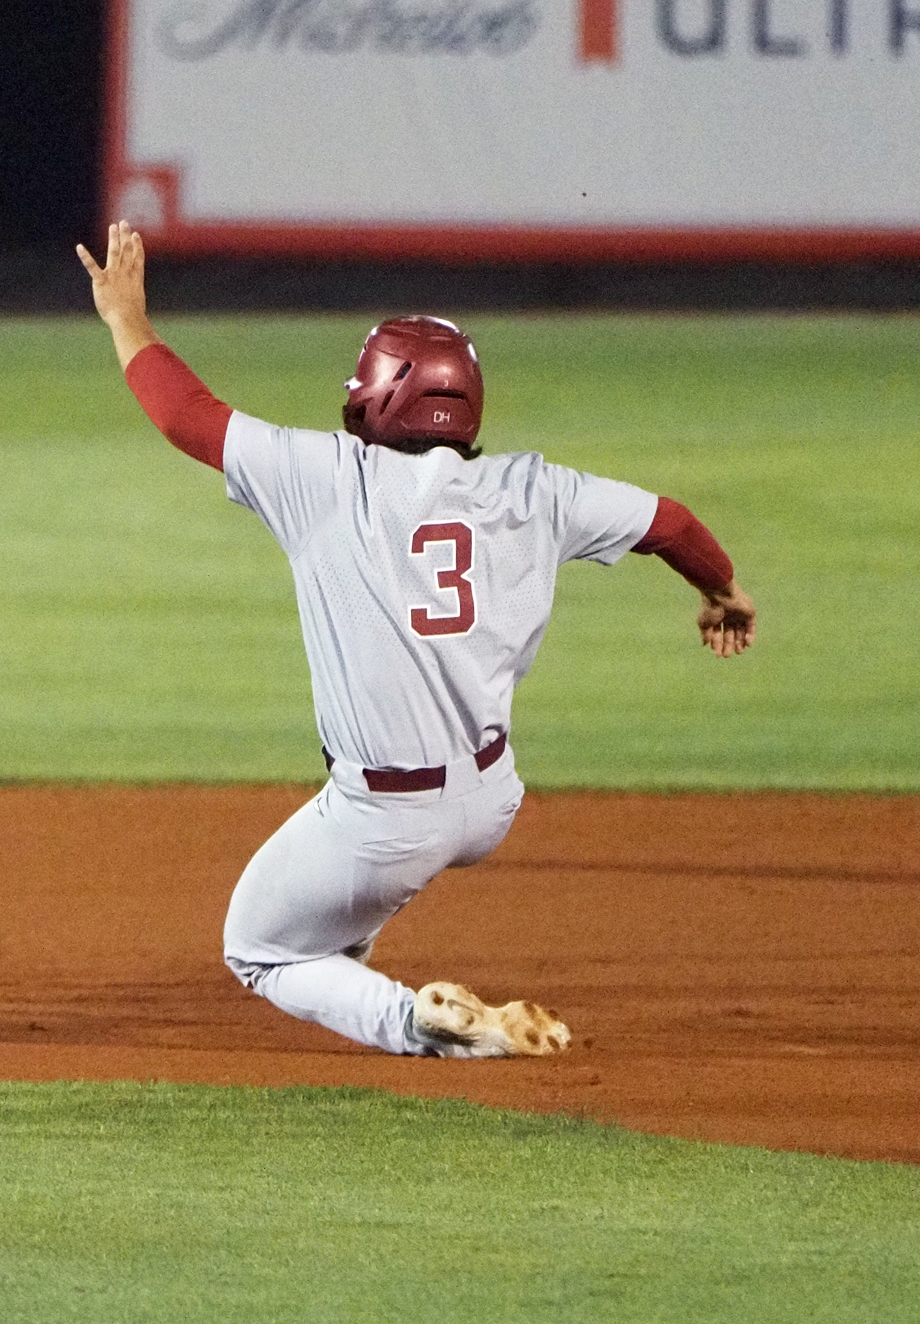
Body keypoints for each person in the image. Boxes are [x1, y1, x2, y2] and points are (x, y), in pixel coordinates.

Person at [77, 221, 756, 1058]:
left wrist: (125, 317)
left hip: (386, 817)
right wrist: (721, 591)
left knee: (256, 947)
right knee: (348, 896)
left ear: (379, 395)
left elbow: (186, 415)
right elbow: (671, 523)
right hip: (491, 798)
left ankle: (425, 1027)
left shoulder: (326, 476)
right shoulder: (537, 488)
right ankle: (356, 956)